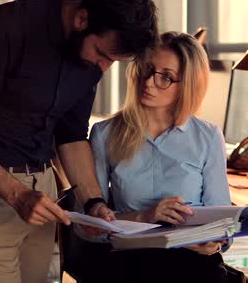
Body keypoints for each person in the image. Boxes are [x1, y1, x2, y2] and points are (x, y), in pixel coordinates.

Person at [0, 0, 158, 283]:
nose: (103, 68)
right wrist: (16, 193)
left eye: (114, 61)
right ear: (81, 19)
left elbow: (72, 135)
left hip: (43, 193)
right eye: (103, 55)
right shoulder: (4, 27)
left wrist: (94, 202)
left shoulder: (92, 55)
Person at [76, 32, 231, 282]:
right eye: (146, 70)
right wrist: (143, 217)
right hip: (129, 263)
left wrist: (217, 242)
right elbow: (88, 228)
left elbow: (223, 220)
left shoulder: (208, 136)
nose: (148, 82)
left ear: (187, 86)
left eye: (166, 78)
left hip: (192, 263)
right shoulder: (105, 134)